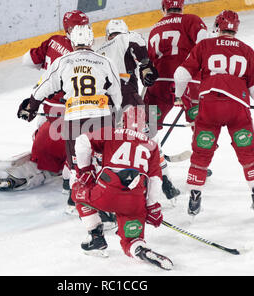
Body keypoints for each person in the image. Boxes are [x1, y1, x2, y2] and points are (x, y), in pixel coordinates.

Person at [173, 10, 254, 216]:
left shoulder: (205, 46)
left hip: (209, 106)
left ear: (217, 26)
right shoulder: (247, 50)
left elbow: (181, 74)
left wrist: (179, 96)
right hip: (237, 106)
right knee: (247, 151)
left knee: (201, 152)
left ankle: (195, 197)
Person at [17, 24, 123, 210]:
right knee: (104, 161)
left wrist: (31, 107)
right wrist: (115, 113)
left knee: (76, 165)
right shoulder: (104, 61)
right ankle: (106, 204)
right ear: (91, 41)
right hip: (101, 118)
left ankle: (77, 203)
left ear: (73, 42)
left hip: (76, 119)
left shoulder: (62, 62)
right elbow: (116, 94)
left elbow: (43, 89)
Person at [0, 10, 89, 192]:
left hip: (48, 117)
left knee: (43, 146)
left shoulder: (54, 41)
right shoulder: (90, 58)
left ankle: (43, 168)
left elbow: (28, 60)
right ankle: (67, 173)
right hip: (73, 120)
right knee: (85, 145)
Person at [71, 106, 173, 270]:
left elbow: (82, 140)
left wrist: (84, 170)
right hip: (134, 201)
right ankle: (140, 250)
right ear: (144, 125)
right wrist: (152, 206)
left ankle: (96, 237)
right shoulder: (152, 145)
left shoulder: (111, 133)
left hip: (106, 193)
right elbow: (155, 179)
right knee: (131, 239)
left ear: (122, 121)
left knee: (78, 191)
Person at [96, 19, 180, 201]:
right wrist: (146, 68)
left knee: (111, 148)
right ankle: (165, 182)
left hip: (104, 104)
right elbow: (139, 49)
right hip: (128, 97)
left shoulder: (98, 52)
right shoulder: (127, 37)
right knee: (148, 141)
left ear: (107, 34)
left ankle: (112, 191)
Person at [145, 0, 207, 130]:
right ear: (182, 6)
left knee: (148, 124)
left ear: (163, 8)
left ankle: (150, 150)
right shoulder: (191, 19)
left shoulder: (154, 29)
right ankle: (203, 150)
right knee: (201, 125)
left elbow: (149, 62)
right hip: (189, 81)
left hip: (160, 84)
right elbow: (205, 44)